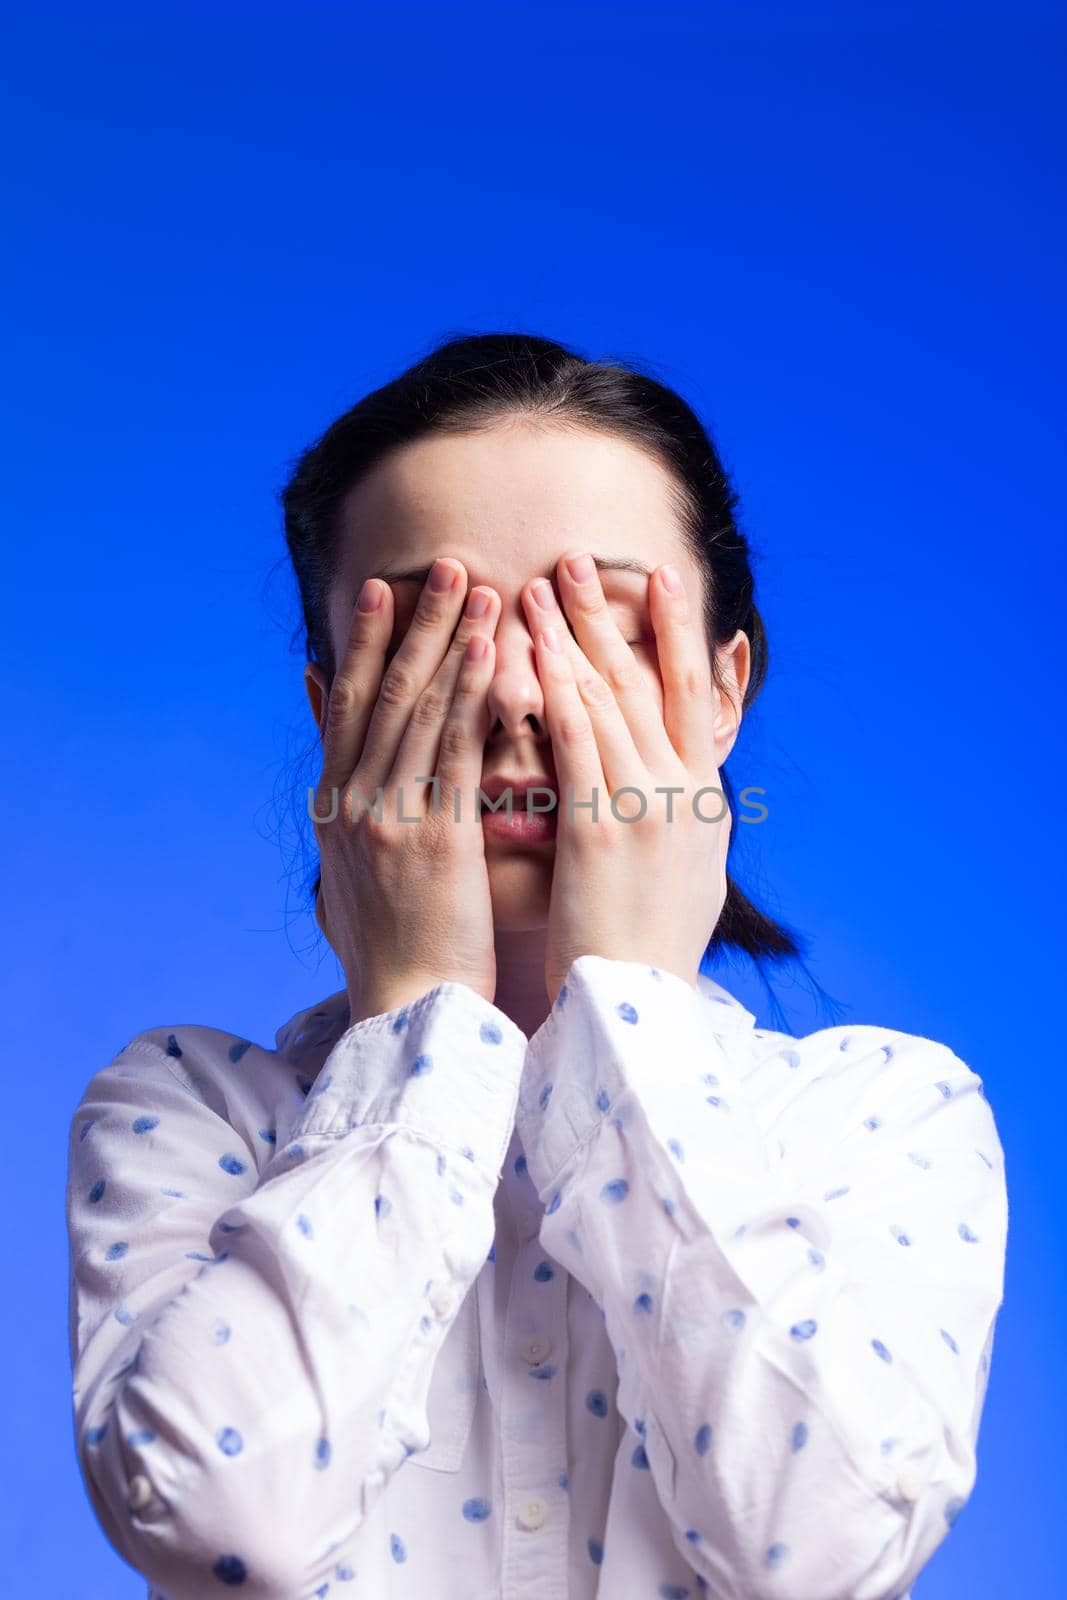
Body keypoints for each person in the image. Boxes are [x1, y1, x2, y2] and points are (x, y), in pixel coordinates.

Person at [65, 332, 1007, 1600]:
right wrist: (420, 1024)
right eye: (428, 632)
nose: (514, 694)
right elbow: (220, 1523)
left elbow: (821, 1548)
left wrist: (628, 1012)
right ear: (330, 703)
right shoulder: (190, 1109)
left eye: (595, 624)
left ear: (723, 692)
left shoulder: (881, 1115)